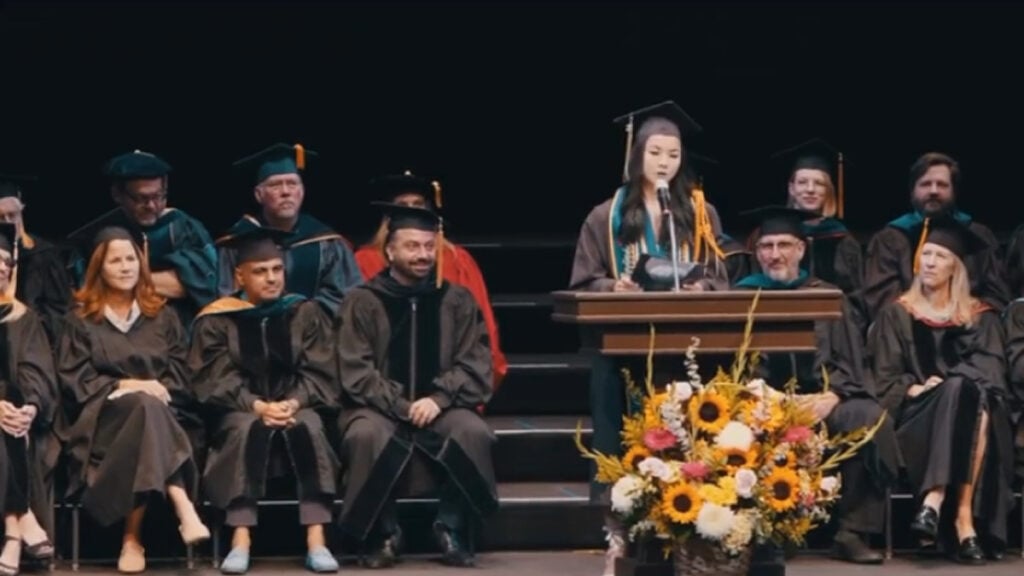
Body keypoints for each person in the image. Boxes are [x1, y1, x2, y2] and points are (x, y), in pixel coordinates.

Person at [568, 101, 729, 576]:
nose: (664, 163)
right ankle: (618, 532)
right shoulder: (605, 216)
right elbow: (582, 280)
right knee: (616, 435)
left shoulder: (700, 214)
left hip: (686, 349)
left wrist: (704, 285)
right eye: (655, 152)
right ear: (636, 154)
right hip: (621, 350)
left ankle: (681, 530)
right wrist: (610, 286)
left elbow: (722, 274)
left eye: (673, 154)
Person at [734, 206, 900, 564]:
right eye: (766, 246)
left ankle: (852, 533)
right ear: (756, 252)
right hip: (765, 402)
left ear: (801, 249)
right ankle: (766, 534)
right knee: (736, 426)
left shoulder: (828, 296)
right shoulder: (742, 297)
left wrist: (833, 395)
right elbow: (733, 369)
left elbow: (853, 363)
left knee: (868, 418)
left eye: (783, 245)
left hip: (823, 401)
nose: (774, 254)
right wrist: (765, 395)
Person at [336, 203, 497, 569]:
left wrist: (439, 399)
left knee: (472, 431)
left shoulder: (457, 300)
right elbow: (354, 369)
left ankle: (452, 527)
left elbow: (475, 362)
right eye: (412, 246)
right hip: (377, 408)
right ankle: (382, 533)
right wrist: (401, 405)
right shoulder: (361, 301)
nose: (423, 255)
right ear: (389, 251)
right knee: (365, 435)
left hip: (441, 407)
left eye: (428, 246)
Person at [55, 226, 209, 573]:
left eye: (130, 259)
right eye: (115, 261)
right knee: (143, 405)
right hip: (102, 425)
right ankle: (181, 501)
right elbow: (76, 382)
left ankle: (132, 539)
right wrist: (130, 384)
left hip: (163, 421)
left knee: (148, 411)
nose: (125, 267)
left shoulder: (163, 316)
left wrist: (154, 390)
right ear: (99, 269)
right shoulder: (80, 321)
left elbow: (183, 376)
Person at [190, 226, 340, 574]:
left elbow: (322, 371)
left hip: (296, 406)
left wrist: (293, 403)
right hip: (239, 411)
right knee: (244, 429)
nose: (271, 278)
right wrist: (256, 405)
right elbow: (212, 378)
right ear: (239, 275)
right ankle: (240, 540)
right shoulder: (218, 319)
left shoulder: (304, 312)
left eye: (277, 269)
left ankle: (317, 541)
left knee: (311, 426)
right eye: (260, 271)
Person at [869, 217, 1015, 564]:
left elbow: (992, 375)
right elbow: (884, 379)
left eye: (940, 256)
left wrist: (950, 386)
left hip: (977, 413)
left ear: (957, 268)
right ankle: (962, 519)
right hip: (917, 419)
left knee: (967, 393)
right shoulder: (897, 313)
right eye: (927, 254)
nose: (930, 263)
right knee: (962, 392)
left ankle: (935, 502)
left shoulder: (981, 317)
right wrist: (915, 387)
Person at [354, 171, 508, 397]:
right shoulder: (365, 260)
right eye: (403, 205)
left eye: (418, 204)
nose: (412, 210)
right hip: (384, 387)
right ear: (388, 216)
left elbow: (482, 325)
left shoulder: (457, 260)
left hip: (449, 383)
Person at [67, 150, 219, 328]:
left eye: (159, 196)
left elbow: (199, 283)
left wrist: (117, 280)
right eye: (142, 198)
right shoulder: (96, 237)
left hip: (180, 330)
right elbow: (86, 291)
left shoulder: (181, 227)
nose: (152, 206)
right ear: (117, 194)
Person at [862, 152, 1009, 326]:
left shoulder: (979, 236)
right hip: (909, 335)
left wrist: (964, 319)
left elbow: (996, 296)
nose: (933, 191)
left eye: (942, 185)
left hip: (968, 333)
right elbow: (882, 300)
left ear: (954, 190)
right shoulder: (890, 239)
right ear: (912, 191)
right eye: (925, 184)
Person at [218, 143, 363, 317]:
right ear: (259, 194)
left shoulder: (327, 241)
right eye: (275, 185)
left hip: (313, 338)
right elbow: (225, 298)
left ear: (302, 191)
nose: (285, 192)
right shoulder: (237, 242)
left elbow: (348, 297)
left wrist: (304, 314)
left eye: (292, 184)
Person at [0, 222, 60, 575]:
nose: (0, 272)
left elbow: (39, 371)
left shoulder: (24, 318)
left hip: (21, 425)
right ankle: (18, 522)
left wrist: (30, 406)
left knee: (14, 422)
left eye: (4, 266)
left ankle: (11, 527)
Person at [766, 138, 867, 332]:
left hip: (833, 332)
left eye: (819, 183)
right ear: (791, 188)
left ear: (828, 190)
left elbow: (856, 300)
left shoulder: (842, 240)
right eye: (803, 182)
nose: (810, 189)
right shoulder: (771, 237)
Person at [0, 173, 72, 349]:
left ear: (22, 212)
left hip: (38, 345)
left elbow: (60, 312)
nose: (8, 222)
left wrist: (27, 325)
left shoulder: (44, 255)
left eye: (12, 215)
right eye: (1, 217)